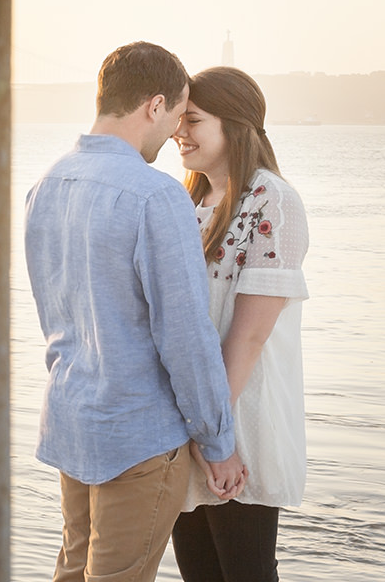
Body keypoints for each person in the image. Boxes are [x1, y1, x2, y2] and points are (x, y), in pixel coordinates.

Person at [25, 41, 245, 582]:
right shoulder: (155, 196)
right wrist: (218, 442)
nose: (176, 132)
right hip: (137, 436)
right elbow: (186, 336)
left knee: (73, 571)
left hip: (72, 420)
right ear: (154, 104)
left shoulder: (44, 185)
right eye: (176, 114)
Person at [171, 67, 309, 582]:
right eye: (179, 119)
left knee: (247, 572)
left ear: (234, 124)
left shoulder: (271, 201)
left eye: (193, 120)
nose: (178, 131)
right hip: (192, 420)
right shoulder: (185, 202)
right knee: (199, 573)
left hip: (239, 418)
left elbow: (248, 336)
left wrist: (216, 435)